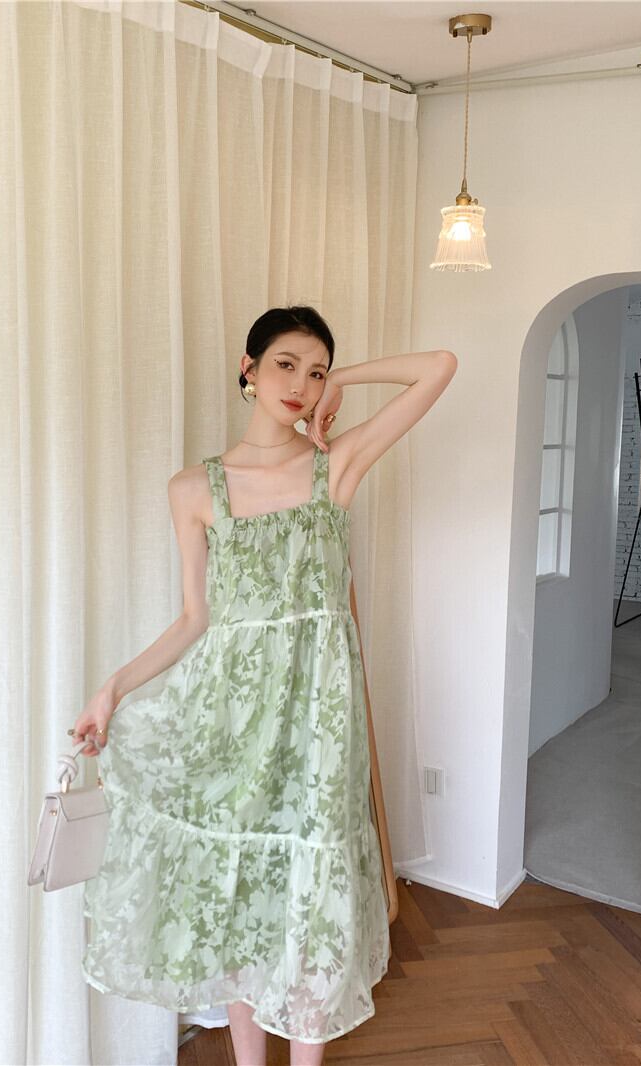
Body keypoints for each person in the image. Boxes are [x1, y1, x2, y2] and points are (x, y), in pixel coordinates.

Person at [73, 305, 457, 1066]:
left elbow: (438, 366)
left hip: (319, 721)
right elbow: (195, 619)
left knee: (312, 897)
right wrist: (112, 688)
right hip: (229, 723)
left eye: (315, 371)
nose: (300, 384)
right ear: (247, 369)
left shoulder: (334, 465)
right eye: (286, 364)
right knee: (240, 899)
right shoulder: (194, 488)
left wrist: (343, 381)